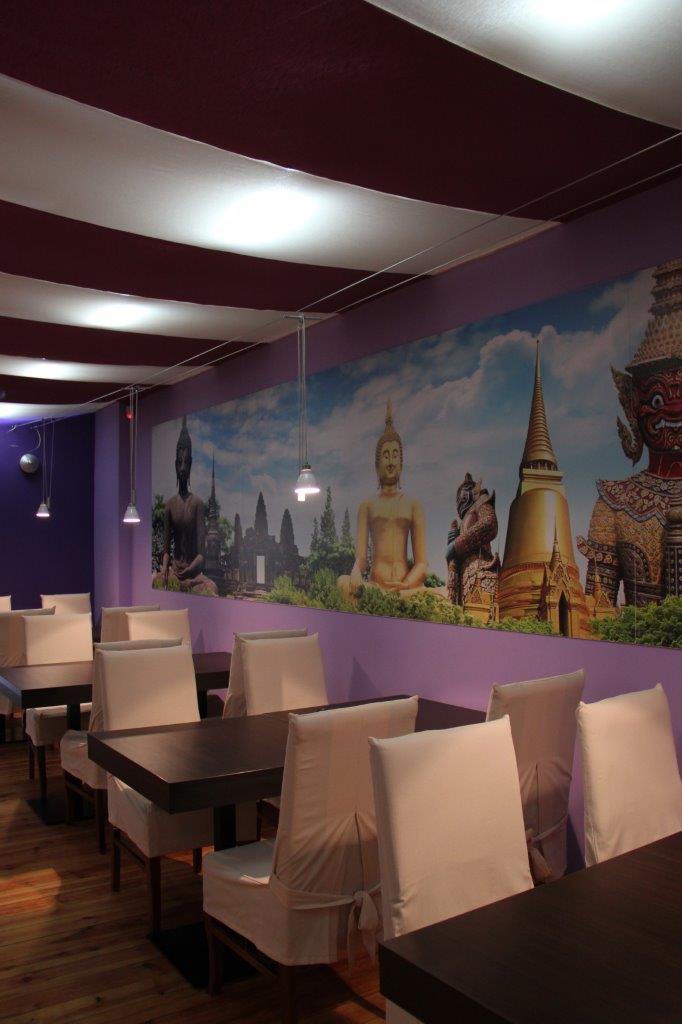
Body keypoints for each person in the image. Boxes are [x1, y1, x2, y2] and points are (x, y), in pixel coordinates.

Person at [338, 402, 429, 600]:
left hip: (405, 590)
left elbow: (422, 564)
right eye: (386, 456)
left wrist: (406, 584)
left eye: (395, 456)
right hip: (375, 587)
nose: (390, 462)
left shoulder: (413, 505)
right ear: (377, 465)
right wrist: (356, 571)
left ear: (401, 463)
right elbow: (361, 558)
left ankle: (397, 597)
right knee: (343, 583)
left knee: (443, 593)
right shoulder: (367, 506)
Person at [153, 417, 218, 596]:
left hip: (192, 574)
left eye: (186, 463)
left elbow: (201, 555)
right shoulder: (169, 505)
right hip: (174, 572)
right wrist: (165, 568)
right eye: (179, 463)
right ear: (175, 465)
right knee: (155, 580)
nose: (182, 468)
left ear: (191, 464)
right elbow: (166, 550)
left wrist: (190, 570)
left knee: (211, 587)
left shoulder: (198, 504)